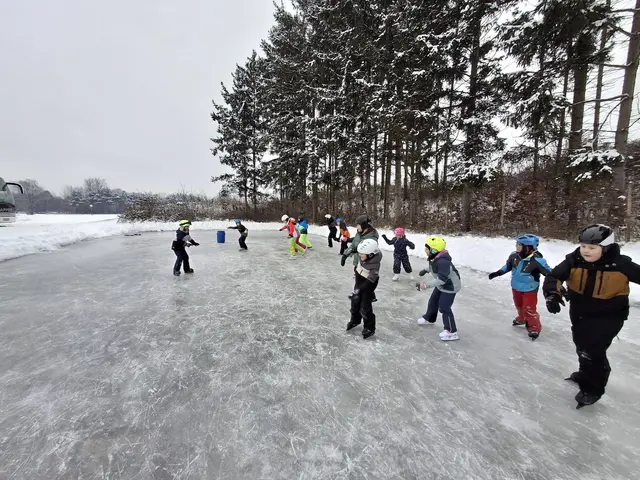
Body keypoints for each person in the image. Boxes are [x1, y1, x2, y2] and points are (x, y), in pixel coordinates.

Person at [543, 224, 640, 409]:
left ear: (606, 248)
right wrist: (552, 293)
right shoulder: (574, 260)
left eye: (592, 248)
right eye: (583, 246)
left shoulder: (621, 265)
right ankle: (584, 373)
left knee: (593, 350)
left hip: (609, 316)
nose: (586, 251)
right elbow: (554, 276)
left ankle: (593, 388)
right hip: (580, 312)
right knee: (581, 344)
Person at [488, 234, 551, 340]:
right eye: (516, 244)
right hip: (516, 286)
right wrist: (497, 273)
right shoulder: (514, 256)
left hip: (530, 288)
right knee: (519, 305)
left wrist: (557, 285)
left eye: (519, 245)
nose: (516, 247)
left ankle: (534, 327)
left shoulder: (537, 261)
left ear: (528, 248)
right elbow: (507, 266)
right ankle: (522, 318)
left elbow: (550, 273)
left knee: (529, 308)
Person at [416, 236, 462, 341]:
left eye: (427, 249)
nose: (425, 250)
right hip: (442, 284)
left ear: (434, 250)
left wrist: (425, 285)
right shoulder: (436, 257)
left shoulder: (443, 262)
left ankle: (452, 331)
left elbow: (442, 279)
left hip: (450, 286)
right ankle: (429, 318)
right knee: (433, 301)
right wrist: (426, 270)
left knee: (444, 307)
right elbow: (434, 266)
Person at [346, 238, 382, 339]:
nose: (360, 255)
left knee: (365, 307)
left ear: (370, 254)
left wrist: (359, 290)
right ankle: (355, 320)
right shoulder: (365, 258)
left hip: (368, 285)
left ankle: (369, 327)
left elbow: (371, 280)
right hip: (359, 282)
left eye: (362, 254)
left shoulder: (374, 264)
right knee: (355, 302)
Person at [341, 215, 379, 301]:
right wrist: (345, 254)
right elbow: (355, 244)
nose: (356, 227)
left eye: (358, 225)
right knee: (359, 280)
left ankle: (358, 295)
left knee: (362, 281)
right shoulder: (359, 233)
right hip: (358, 261)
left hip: (366, 264)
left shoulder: (372, 237)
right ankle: (369, 296)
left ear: (364, 225)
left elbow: (368, 252)